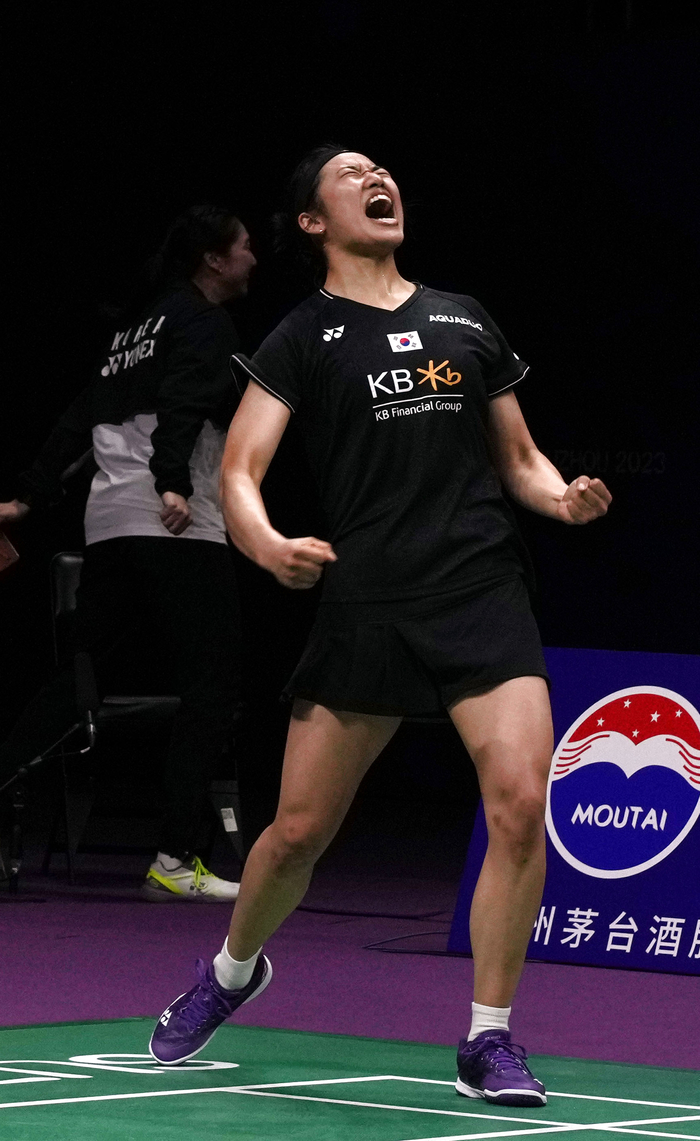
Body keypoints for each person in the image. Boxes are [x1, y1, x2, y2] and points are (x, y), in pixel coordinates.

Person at [149, 148, 612, 1101]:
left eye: (383, 168)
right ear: (313, 220)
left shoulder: (463, 317)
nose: (377, 177)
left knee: (519, 801)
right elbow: (239, 470)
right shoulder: (301, 336)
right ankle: (233, 971)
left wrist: (560, 497)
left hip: (479, 587)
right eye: (352, 172)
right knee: (296, 833)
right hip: (368, 599)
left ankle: (489, 1037)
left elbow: (520, 456)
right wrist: (266, 544)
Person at [0, 205, 256, 902]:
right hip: (177, 524)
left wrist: (27, 496)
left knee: (79, 680)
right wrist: (173, 481)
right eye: (243, 246)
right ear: (212, 259)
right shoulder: (204, 322)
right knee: (212, 686)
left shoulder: (131, 332)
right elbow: (184, 402)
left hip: (108, 524)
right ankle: (174, 858)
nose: (253, 257)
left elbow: (77, 417)